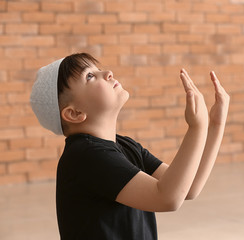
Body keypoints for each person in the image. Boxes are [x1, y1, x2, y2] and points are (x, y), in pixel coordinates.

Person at [30, 52, 230, 240]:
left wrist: (215, 125)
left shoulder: (124, 145)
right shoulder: (85, 156)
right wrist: (197, 127)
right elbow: (168, 198)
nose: (108, 73)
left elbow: (187, 189)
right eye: (90, 76)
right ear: (74, 113)